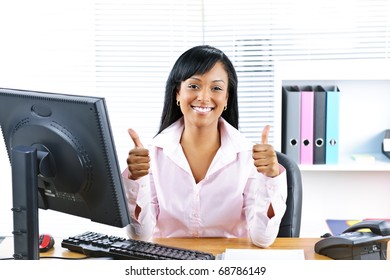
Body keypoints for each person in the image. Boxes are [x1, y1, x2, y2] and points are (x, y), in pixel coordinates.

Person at [122, 45, 287, 248]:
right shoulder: (154, 154)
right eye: (193, 86)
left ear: (226, 98)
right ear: (177, 93)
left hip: (227, 264)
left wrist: (270, 178)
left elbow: (263, 239)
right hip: (169, 263)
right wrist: (136, 180)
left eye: (216, 88)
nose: (203, 97)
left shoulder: (248, 156)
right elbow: (140, 236)